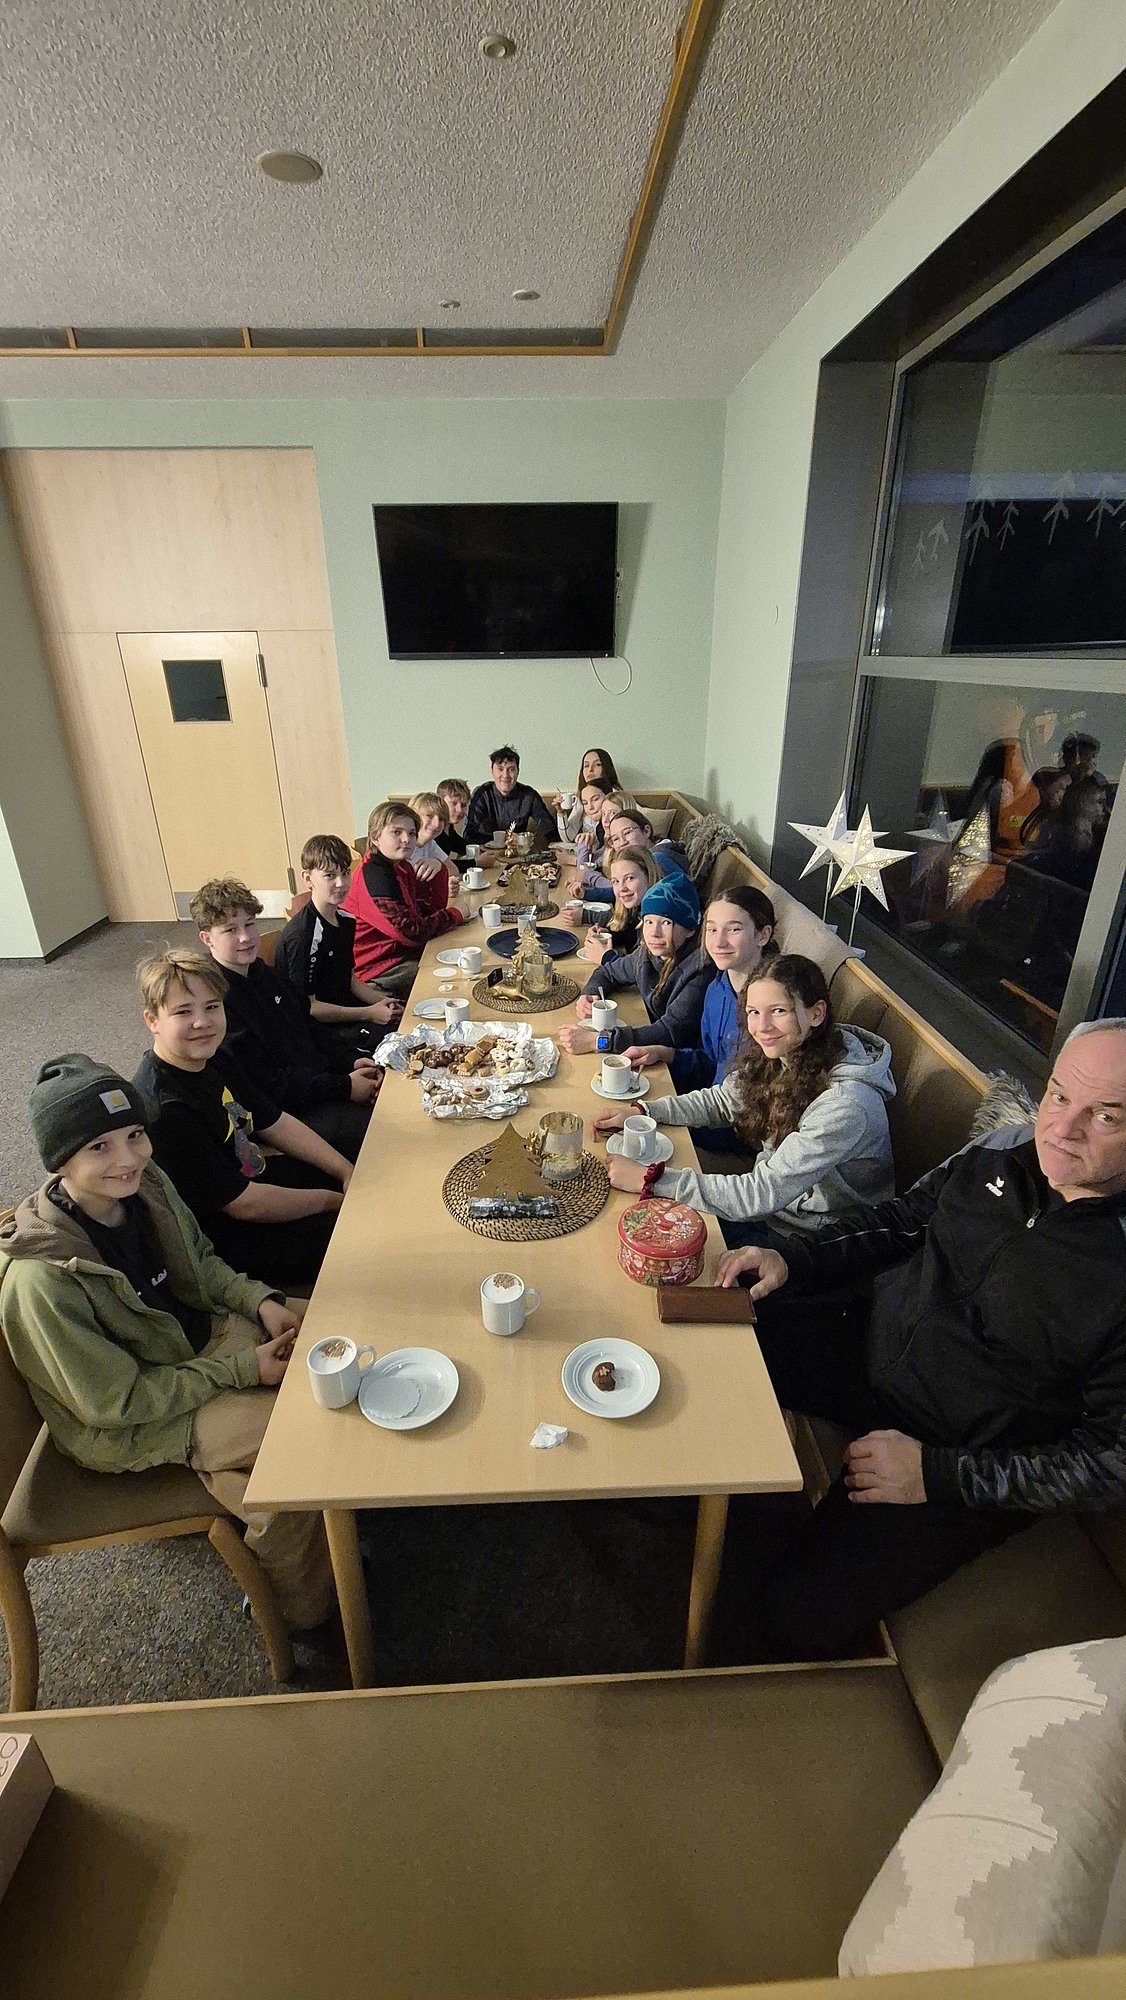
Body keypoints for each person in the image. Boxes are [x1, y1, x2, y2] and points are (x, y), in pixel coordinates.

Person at [706, 1019, 1126, 1663]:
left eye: (1106, 1116)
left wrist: (937, 1474)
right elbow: (902, 1222)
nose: (1062, 1129)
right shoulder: (1002, 1151)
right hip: (868, 1342)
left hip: (957, 1449)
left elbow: (1107, 1463)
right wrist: (795, 1259)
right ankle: (686, 1502)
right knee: (709, 1339)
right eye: (1060, 1095)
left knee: (790, 1617)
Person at [0, 1056, 333, 1631]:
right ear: (60, 1160)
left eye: (133, 1135)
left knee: (338, 1326)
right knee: (291, 1453)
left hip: (195, 1345)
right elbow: (116, 1403)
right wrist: (241, 1371)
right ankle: (311, 1613)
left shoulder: (145, 1186)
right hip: (134, 1417)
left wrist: (260, 1302)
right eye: (99, 1147)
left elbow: (201, 1266)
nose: (128, 1159)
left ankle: (330, 1535)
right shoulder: (43, 1279)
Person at [595, 954, 895, 1243]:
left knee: (643, 1232)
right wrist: (644, 1111)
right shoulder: (787, 1052)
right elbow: (722, 1102)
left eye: (779, 1011)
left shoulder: (845, 1104)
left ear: (816, 1013)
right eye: (753, 1012)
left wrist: (651, 1179)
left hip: (812, 1241)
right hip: (773, 1211)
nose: (762, 1027)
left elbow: (760, 1193)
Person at [135, 950, 350, 1286]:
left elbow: (273, 1120)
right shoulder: (166, 1109)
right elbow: (244, 1205)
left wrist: (344, 1171)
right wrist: (332, 1202)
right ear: (152, 1021)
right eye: (182, 1012)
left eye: (211, 1007)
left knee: (357, 1170)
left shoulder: (215, 1057)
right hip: (223, 1233)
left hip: (251, 1174)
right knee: (354, 1238)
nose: (202, 1022)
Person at [193, 878, 377, 1164]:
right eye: (231, 929)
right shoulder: (215, 1002)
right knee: (375, 1134)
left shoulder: (264, 974)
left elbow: (309, 1027)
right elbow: (267, 1084)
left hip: (313, 1082)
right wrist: (343, 1086)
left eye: (250, 924)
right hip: (282, 1111)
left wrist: (350, 1062)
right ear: (207, 939)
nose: (245, 937)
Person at [624, 886, 779, 1089]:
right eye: (712, 929)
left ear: (763, 935)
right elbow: (708, 1064)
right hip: (710, 1103)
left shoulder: (774, 1004)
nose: (719, 942)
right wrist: (666, 1054)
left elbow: (744, 1097)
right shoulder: (716, 989)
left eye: (733, 929)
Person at [273, 834, 403, 1064]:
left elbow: (349, 978)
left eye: (345, 873)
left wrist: (382, 1002)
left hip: (348, 1014)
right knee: (394, 1050)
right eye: (329, 876)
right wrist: (370, 1012)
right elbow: (310, 1008)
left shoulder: (345, 919)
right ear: (307, 878)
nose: (341, 883)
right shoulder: (303, 936)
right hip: (318, 1032)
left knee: (402, 1019)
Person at [559, 873, 711, 1056]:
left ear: (690, 930)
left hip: (675, 1065)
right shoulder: (646, 954)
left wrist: (598, 1041)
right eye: (648, 921)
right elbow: (608, 972)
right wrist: (589, 994)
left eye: (666, 922)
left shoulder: (700, 969)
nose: (654, 933)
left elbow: (670, 1033)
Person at [341, 801, 466, 1000]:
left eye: (411, 833)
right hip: (378, 972)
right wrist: (456, 914)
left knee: (459, 955)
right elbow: (412, 933)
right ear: (375, 838)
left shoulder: (401, 867)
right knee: (455, 978)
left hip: (400, 956)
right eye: (396, 832)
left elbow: (428, 911)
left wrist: (439, 869)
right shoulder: (375, 876)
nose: (407, 839)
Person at [564, 845, 661, 966]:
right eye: (616, 881)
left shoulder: (658, 918)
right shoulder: (637, 908)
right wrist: (608, 935)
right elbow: (630, 934)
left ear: (649, 876)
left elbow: (645, 970)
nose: (622, 888)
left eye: (630, 878)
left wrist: (607, 958)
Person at [580, 805, 691, 904]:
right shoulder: (640, 860)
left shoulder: (657, 858)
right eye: (616, 839)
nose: (623, 842)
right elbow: (626, 893)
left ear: (646, 831)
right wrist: (586, 894)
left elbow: (688, 895)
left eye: (628, 832)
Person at [464, 746, 555, 848]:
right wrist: (507, 837)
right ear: (492, 771)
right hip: (486, 856)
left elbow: (550, 829)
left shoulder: (529, 795)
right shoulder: (481, 794)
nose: (505, 775)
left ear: (518, 771)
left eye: (511, 769)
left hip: (519, 855)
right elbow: (469, 835)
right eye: (500, 769)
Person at [408, 792, 460, 898]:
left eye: (441, 819)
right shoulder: (404, 846)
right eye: (429, 816)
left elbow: (454, 871)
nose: (436, 824)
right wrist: (441, 888)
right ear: (414, 816)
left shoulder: (429, 843)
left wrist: (439, 867)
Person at [436, 778, 472, 861]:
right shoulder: (434, 830)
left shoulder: (448, 827)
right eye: (454, 803)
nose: (459, 810)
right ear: (440, 802)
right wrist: (476, 862)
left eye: (463, 805)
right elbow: (443, 864)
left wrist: (478, 849)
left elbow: (459, 845)